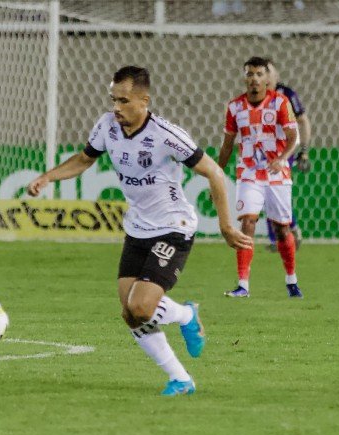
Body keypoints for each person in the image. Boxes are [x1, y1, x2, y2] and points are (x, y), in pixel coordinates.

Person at [28, 66, 252, 396]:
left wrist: (226, 226)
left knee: (143, 307)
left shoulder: (166, 135)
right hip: (137, 229)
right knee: (130, 315)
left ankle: (186, 315)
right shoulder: (107, 127)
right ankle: (181, 378)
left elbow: (216, 174)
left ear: (144, 100)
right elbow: (84, 160)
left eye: (124, 100)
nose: (116, 107)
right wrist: (48, 177)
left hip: (173, 228)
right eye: (113, 100)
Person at [218, 56, 303, 299]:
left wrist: (282, 158)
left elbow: (293, 137)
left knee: (282, 228)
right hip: (248, 173)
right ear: (244, 78)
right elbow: (226, 146)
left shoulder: (280, 103)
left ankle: (291, 280)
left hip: (276, 174)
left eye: (258, 74)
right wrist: (216, 173)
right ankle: (243, 285)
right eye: (250, 74)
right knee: (248, 223)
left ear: (267, 79)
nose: (254, 79)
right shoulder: (235, 107)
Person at [265, 60, 311, 252]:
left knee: (275, 190)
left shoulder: (287, 95)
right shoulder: (255, 98)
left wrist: (304, 151)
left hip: (284, 150)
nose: (265, 76)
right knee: (268, 194)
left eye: (268, 71)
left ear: (276, 74)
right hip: (262, 152)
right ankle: (281, 237)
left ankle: (290, 231)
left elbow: (303, 121)